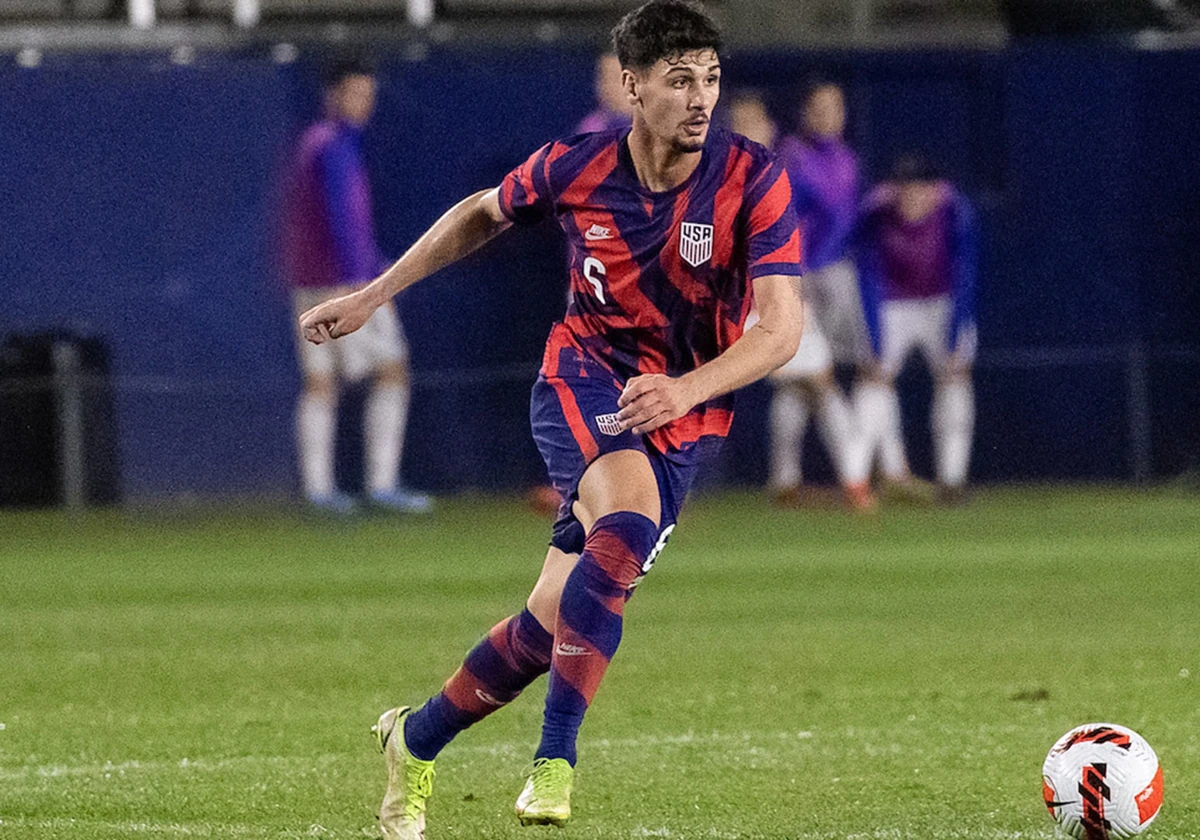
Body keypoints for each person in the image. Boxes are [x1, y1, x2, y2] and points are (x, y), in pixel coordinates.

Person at [298, 2, 803, 835]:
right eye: (680, 81)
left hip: (680, 408)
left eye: (711, 79)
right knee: (629, 523)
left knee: (550, 621)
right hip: (585, 378)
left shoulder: (753, 177)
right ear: (633, 88)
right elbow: (482, 212)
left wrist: (686, 390)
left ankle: (414, 740)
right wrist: (372, 296)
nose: (702, 98)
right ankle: (554, 762)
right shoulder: (579, 164)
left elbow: (783, 329)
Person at [279, 58, 432, 515]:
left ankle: (319, 491)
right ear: (334, 95)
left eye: (369, 95)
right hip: (347, 284)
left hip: (310, 280)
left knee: (320, 383)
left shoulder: (316, 143)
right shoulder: (333, 145)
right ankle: (381, 486)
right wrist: (372, 282)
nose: (365, 104)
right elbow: (344, 221)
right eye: (357, 94)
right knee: (392, 371)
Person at [770, 80, 875, 510]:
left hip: (841, 276)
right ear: (806, 113)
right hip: (801, 277)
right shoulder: (793, 156)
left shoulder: (850, 160)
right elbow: (782, 220)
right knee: (818, 378)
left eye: (837, 106)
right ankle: (855, 481)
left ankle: (786, 480)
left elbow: (850, 221)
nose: (829, 115)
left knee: (807, 384)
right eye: (821, 107)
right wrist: (791, 278)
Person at [854, 154, 979, 503]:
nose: (910, 197)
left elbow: (965, 271)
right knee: (875, 379)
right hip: (892, 305)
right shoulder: (876, 212)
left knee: (955, 379)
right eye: (903, 188)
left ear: (934, 190)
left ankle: (952, 480)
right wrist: (875, 338)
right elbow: (868, 274)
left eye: (918, 188)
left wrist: (957, 334)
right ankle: (859, 477)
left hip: (943, 301)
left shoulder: (955, 210)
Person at [575, 51, 636, 134]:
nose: (607, 86)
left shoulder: (655, 126)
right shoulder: (592, 129)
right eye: (603, 78)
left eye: (615, 78)